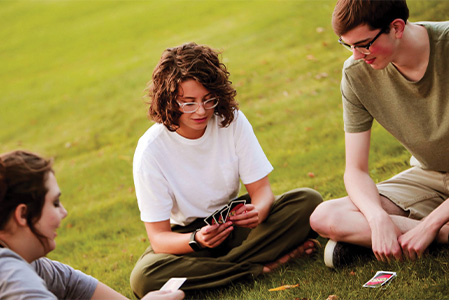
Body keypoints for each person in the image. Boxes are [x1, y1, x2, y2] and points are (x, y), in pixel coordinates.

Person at [129, 42, 323, 297]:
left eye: (208, 100)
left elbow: (262, 191)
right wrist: (197, 239)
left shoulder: (230, 120)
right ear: (169, 100)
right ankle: (256, 267)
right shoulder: (150, 150)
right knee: (145, 277)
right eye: (188, 103)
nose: (201, 111)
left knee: (308, 201)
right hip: (189, 239)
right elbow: (159, 239)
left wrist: (259, 211)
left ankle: (221, 272)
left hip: (235, 225)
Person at [309, 0, 449, 268]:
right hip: (429, 176)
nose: (357, 55)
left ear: (396, 27)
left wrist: (430, 224)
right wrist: (377, 219)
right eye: (348, 45)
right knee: (326, 216)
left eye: (364, 44)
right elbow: (356, 170)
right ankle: (437, 235)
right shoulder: (356, 74)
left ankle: (410, 235)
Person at [0, 150, 185, 300]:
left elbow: (74, 285)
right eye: (55, 203)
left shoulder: (32, 264)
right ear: (22, 215)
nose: (64, 213)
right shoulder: (7, 272)